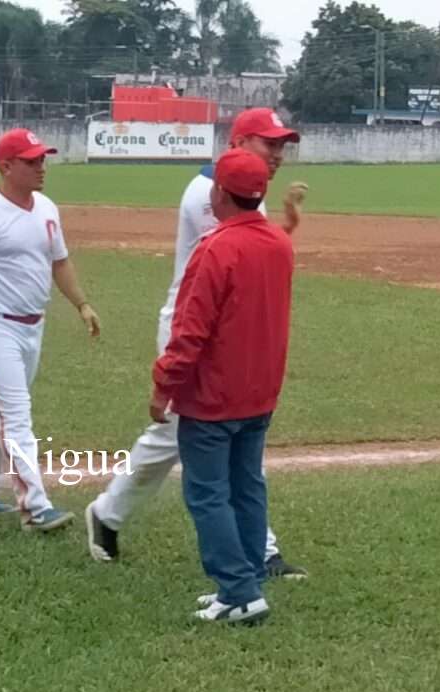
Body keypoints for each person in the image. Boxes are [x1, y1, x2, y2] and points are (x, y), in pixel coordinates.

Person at [84, 107, 308, 576]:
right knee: (220, 436)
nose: (278, 155)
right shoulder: (210, 194)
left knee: (188, 436)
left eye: (283, 146)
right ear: (238, 142)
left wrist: (282, 228)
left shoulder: (244, 191)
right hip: (196, 326)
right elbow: (230, 262)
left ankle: (108, 514)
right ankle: (259, 550)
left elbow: (245, 249)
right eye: (270, 144)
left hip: (223, 327)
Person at [150, 148, 295, 624]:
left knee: (208, 492)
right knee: (247, 485)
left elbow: (190, 331)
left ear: (217, 193)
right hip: (260, 392)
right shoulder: (278, 243)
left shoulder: (213, 249)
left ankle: (238, 592)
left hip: (214, 396)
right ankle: (249, 574)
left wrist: (164, 386)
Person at [0, 128, 100, 532]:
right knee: (15, 413)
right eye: (32, 161)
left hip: (33, 326)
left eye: (42, 159)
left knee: (0, 415)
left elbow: (59, 262)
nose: (41, 167)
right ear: (6, 166)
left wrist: (81, 303)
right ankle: (35, 505)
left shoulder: (46, 208)